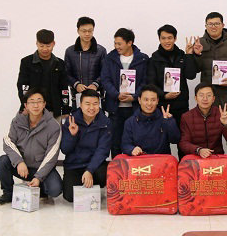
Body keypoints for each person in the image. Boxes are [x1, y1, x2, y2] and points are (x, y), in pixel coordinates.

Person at [192, 12, 227, 154]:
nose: (213, 27)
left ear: (223, 25)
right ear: (205, 26)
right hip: (209, 101)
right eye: (210, 24)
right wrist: (196, 55)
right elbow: (194, 70)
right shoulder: (199, 43)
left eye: (217, 23)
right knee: (211, 143)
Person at [0, 88, 62, 205]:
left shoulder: (53, 126)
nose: (36, 105)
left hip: (41, 167)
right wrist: (19, 162)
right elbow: (8, 142)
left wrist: (39, 177)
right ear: (26, 105)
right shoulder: (17, 121)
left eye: (39, 101)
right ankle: (8, 193)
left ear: (44, 104)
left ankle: (41, 188)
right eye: (32, 102)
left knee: (55, 190)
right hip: (22, 167)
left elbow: (52, 155)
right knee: (2, 161)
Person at [100, 28, 149, 157]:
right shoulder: (110, 58)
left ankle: (135, 168)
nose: (117, 46)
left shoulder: (142, 59)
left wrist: (135, 97)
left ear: (129, 43)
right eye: (115, 43)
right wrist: (116, 94)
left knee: (136, 141)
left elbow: (145, 81)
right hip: (115, 108)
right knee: (115, 141)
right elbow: (105, 79)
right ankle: (117, 167)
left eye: (119, 43)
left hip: (135, 108)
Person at [60, 89, 112, 203]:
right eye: (87, 104)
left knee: (104, 174)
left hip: (95, 165)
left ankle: (91, 184)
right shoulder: (71, 120)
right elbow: (64, 149)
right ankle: (86, 185)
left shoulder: (105, 122)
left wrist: (89, 170)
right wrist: (72, 135)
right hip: (74, 165)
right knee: (70, 196)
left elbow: (103, 150)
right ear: (81, 104)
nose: (91, 108)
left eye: (95, 104)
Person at [146, 24, 197, 129]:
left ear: (175, 38)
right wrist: (164, 95)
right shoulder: (154, 59)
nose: (167, 41)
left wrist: (189, 55)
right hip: (162, 106)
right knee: (162, 136)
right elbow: (151, 83)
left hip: (181, 105)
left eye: (170, 38)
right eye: (163, 38)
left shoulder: (182, 55)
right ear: (159, 39)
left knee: (182, 135)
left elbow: (191, 75)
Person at [17, 29, 70, 117]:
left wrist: (65, 109)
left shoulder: (60, 64)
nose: (45, 49)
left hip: (54, 111)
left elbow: (64, 88)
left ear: (53, 44)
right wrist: (25, 105)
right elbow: (23, 87)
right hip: (32, 110)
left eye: (48, 46)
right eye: (41, 46)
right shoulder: (26, 62)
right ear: (36, 43)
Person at [179, 82, 227, 157]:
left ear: (213, 99)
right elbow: (183, 143)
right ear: (195, 98)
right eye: (201, 95)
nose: (205, 99)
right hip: (195, 157)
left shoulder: (220, 114)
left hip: (216, 157)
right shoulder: (186, 117)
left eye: (208, 95)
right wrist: (198, 150)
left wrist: (226, 124)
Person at [121, 84, 181, 156]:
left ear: (157, 101)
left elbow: (175, 140)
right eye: (146, 100)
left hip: (161, 160)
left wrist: (170, 121)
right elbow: (125, 145)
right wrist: (132, 149)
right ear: (139, 100)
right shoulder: (130, 122)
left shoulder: (164, 119)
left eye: (153, 100)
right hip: (139, 160)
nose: (149, 103)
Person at [64, 16, 107, 110]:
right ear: (78, 31)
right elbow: (66, 73)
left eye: (90, 31)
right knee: (77, 118)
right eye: (84, 31)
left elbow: (105, 72)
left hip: (96, 96)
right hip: (77, 96)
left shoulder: (101, 51)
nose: (87, 34)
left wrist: (95, 84)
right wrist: (76, 84)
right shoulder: (70, 51)